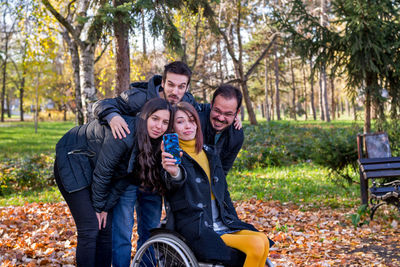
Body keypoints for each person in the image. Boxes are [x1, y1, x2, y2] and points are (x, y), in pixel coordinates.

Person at [54, 98, 172, 267]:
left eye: (165, 122)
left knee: (105, 229)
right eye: (155, 119)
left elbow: (123, 180)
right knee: (90, 227)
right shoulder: (125, 133)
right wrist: (99, 207)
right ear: (145, 116)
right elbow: (104, 172)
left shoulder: (153, 144)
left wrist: (104, 207)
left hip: (94, 170)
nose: (159, 126)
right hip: (73, 159)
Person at [161, 102, 271, 267]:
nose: (187, 126)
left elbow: (223, 193)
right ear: (172, 128)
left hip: (221, 221)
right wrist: (173, 172)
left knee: (263, 240)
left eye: (192, 120)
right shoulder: (171, 159)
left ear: (198, 124)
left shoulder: (209, 152)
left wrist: (234, 220)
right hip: (198, 225)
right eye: (180, 121)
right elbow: (174, 182)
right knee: (255, 245)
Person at [93, 61, 198, 139]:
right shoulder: (138, 98)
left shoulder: (187, 101)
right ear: (163, 83)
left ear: (187, 87)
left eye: (181, 87)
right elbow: (100, 104)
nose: (175, 92)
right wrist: (113, 117)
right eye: (171, 85)